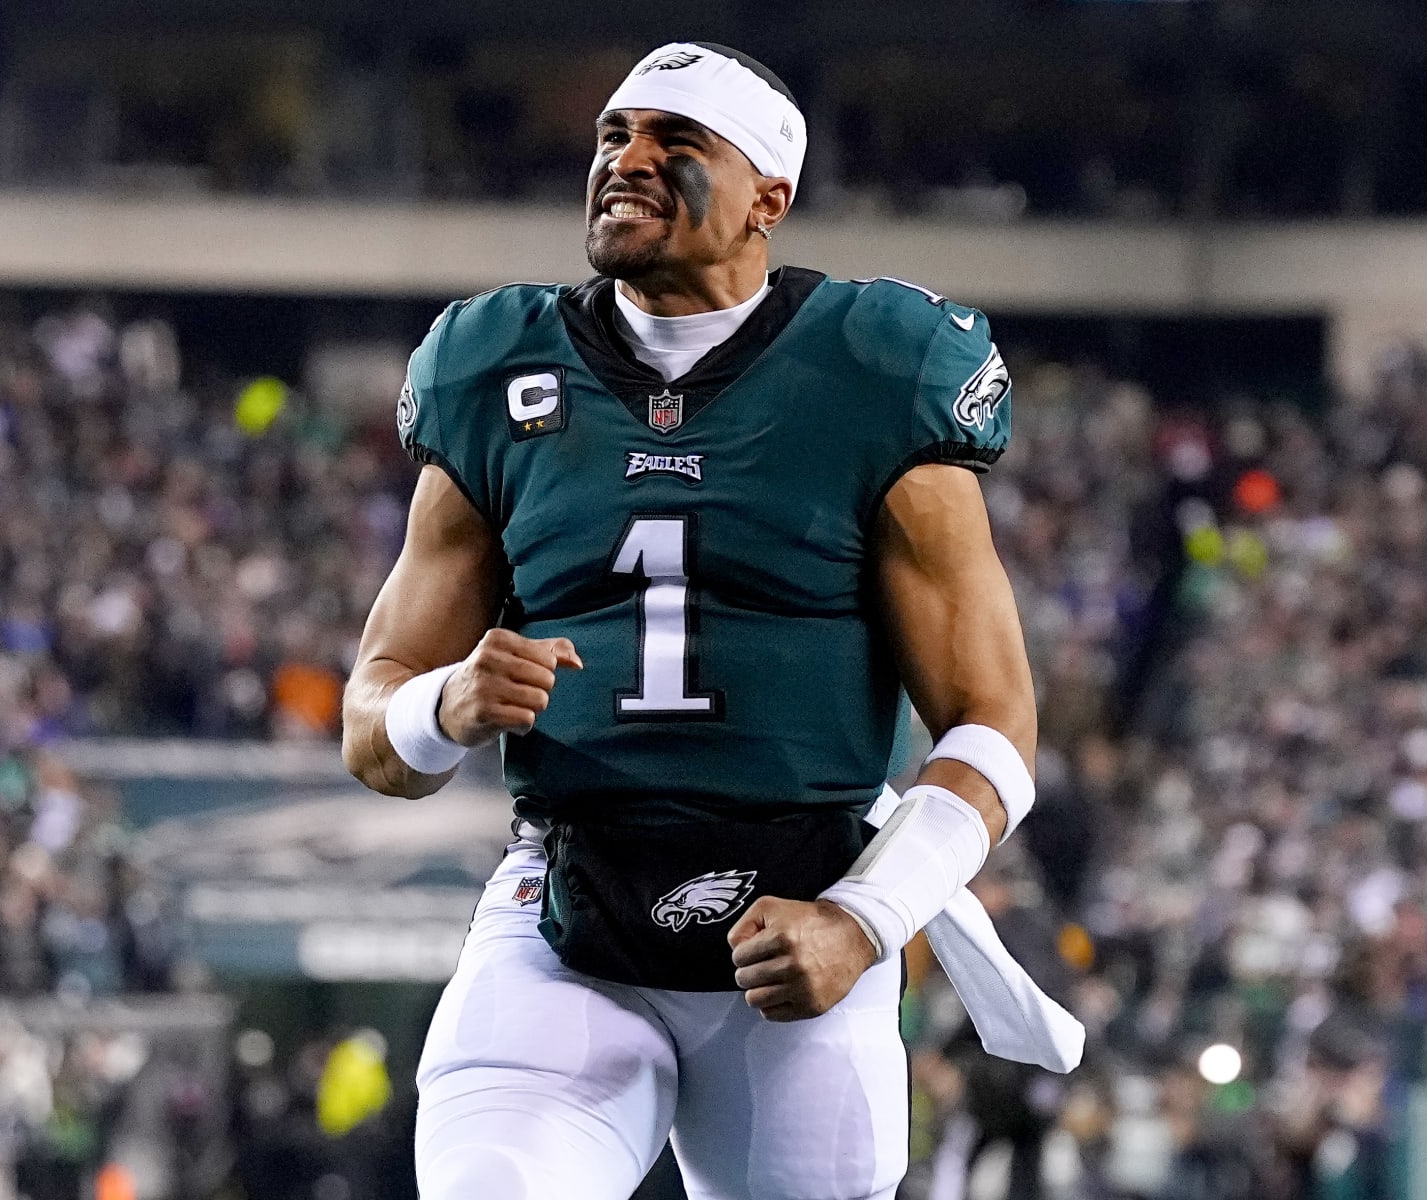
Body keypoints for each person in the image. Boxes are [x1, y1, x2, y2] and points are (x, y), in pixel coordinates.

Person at [342, 41, 1038, 1200]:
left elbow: (994, 726)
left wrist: (864, 924)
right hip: (568, 918)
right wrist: (444, 702)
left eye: (677, 142)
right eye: (615, 135)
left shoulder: (874, 366)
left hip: (800, 917)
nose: (629, 161)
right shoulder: (492, 363)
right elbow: (374, 725)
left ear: (771, 196)